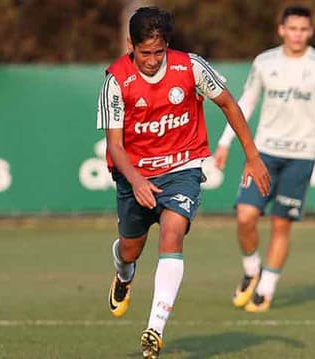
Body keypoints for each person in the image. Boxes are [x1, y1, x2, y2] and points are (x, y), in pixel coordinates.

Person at [96, 6, 270, 359]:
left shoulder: (190, 67)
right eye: (144, 53)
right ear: (131, 45)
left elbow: (228, 104)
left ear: (167, 46)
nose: (151, 60)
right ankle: (123, 274)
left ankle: (154, 330)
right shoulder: (116, 80)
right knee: (131, 249)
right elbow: (115, 144)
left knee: (173, 232)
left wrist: (252, 155)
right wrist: (137, 181)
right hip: (134, 172)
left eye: (158, 52)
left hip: (183, 167)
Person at [213, 5, 315, 312]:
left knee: (281, 224)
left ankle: (267, 288)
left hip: (300, 156)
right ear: (281, 29)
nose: (298, 34)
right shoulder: (264, 62)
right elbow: (244, 102)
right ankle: (251, 269)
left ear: (310, 32)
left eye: (303, 29)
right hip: (264, 154)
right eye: (292, 28)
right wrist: (224, 141)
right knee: (245, 216)